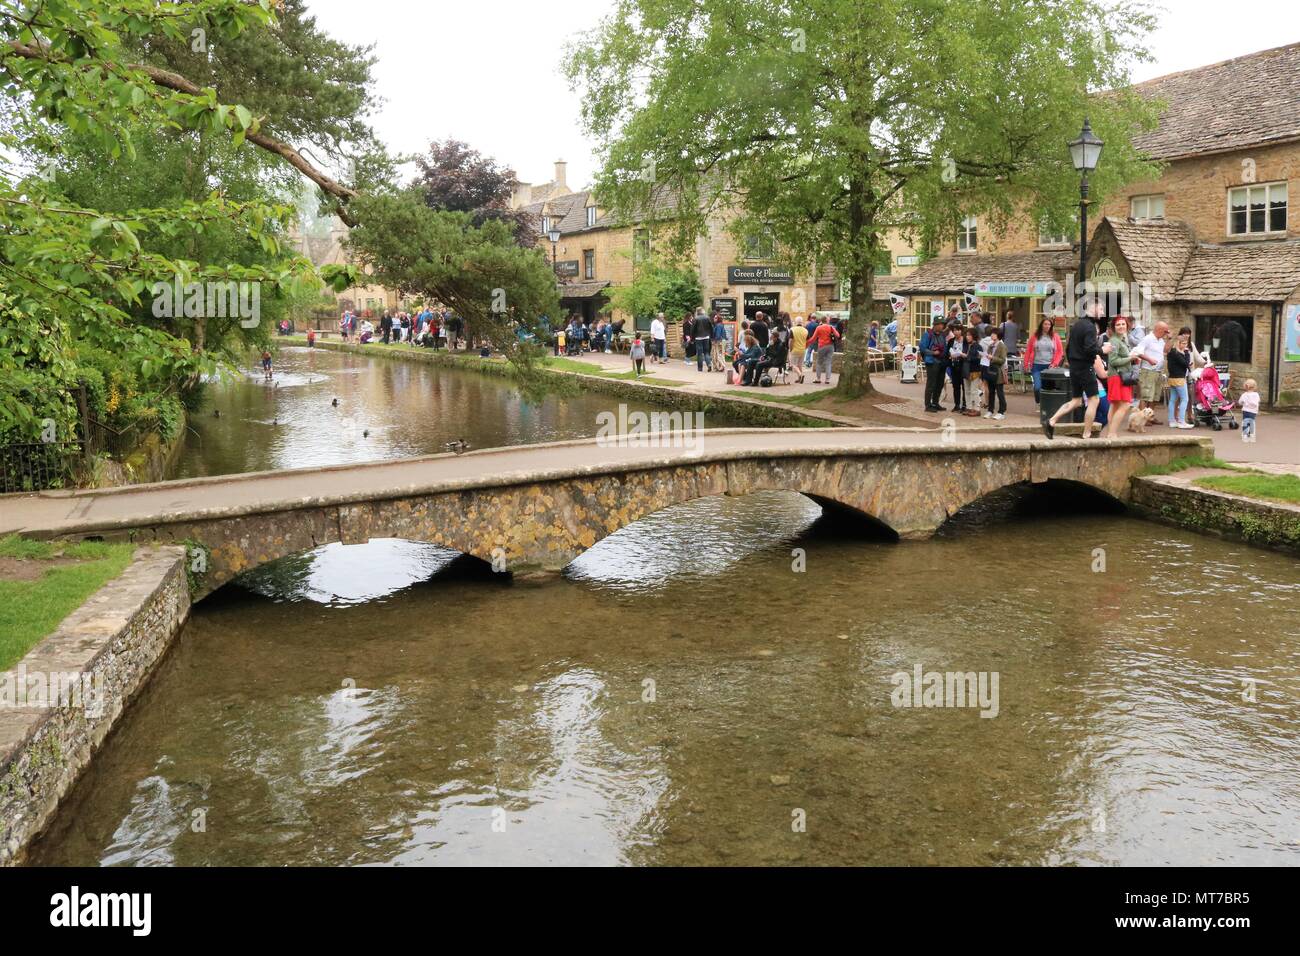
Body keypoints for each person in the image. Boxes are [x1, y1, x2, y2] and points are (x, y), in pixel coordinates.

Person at [1044, 305, 1110, 440]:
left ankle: (1051, 421)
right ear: (1093, 307)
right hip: (1085, 367)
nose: (1103, 312)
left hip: (1074, 367)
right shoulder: (1090, 326)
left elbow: (1068, 348)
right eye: (1101, 309)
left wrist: (1073, 363)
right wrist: (1103, 350)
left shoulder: (1076, 325)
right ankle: (1087, 434)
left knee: (1076, 401)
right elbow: (1090, 349)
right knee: (1094, 399)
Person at [1103, 316, 1142, 437]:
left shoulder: (1121, 340)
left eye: (1123, 324)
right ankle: (1112, 433)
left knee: (1115, 405)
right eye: (1118, 325)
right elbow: (1113, 361)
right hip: (1117, 377)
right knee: (1125, 405)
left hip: (1119, 376)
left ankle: (1110, 433)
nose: (1121, 326)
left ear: (1127, 326)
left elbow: (1120, 359)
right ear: (1114, 327)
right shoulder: (1115, 341)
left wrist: (1132, 360)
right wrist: (1130, 358)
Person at [1135, 321, 1170, 418]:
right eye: (1165, 331)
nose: (1166, 333)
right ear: (1159, 330)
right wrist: (1149, 359)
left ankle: (1150, 417)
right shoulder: (1147, 339)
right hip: (1148, 371)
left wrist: (1168, 339)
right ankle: (1142, 417)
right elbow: (1138, 351)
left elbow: (1166, 351)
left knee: (1155, 396)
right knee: (1146, 396)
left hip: (1158, 371)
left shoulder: (1161, 340)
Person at [1025, 316, 1064, 405]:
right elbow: (1028, 351)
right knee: (1037, 388)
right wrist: (1026, 364)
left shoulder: (1055, 336)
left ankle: (1046, 406)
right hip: (1037, 366)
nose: (1047, 326)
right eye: (1045, 324)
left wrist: (1054, 363)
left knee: (1048, 388)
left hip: (1049, 367)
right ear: (1041, 325)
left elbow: (1059, 352)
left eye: (1049, 324)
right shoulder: (1035, 336)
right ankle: (1039, 402)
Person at [1166, 329, 1194, 429]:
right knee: (1185, 399)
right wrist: (1186, 353)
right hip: (1179, 379)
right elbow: (1186, 364)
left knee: (1173, 400)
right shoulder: (1178, 353)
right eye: (1183, 343)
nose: (1185, 346)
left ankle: (1172, 421)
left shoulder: (1171, 353)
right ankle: (1182, 421)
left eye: (1186, 344)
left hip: (1172, 378)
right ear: (1178, 343)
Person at [920, 318, 947, 412]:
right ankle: (927, 405)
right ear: (935, 325)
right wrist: (932, 352)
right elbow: (922, 348)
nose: (942, 326)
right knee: (931, 384)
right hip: (932, 362)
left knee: (939, 384)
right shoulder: (927, 334)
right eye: (940, 324)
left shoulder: (942, 335)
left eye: (943, 324)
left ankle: (935, 403)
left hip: (942, 362)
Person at [981, 328, 1007, 420]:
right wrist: (985, 356)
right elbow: (987, 355)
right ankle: (990, 410)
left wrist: (992, 357)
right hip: (990, 370)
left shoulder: (1001, 346)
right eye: (992, 333)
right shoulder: (991, 345)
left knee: (1000, 392)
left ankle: (1002, 411)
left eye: (994, 334)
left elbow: (1003, 360)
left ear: (998, 335)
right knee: (991, 391)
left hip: (998, 372)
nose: (992, 335)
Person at [807, 315, 839, 385]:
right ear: (827, 321)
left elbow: (813, 338)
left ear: (821, 321)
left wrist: (807, 342)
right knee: (828, 362)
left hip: (821, 346)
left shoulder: (819, 328)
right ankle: (827, 379)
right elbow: (838, 335)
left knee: (819, 362)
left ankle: (818, 379)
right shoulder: (831, 327)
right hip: (830, 346)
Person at [947, 325, 967, 413]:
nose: (956, 332)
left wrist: (962, 354)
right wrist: (950, 356)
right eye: (954, 330)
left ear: (961, 331)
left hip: (963, 365)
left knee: (964, 386)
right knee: (956, 386)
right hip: (954, 365)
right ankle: (956, 404)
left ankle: (964, 405)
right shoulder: (951, 341)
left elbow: (967, 352)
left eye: (958, 330)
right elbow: (948, 352)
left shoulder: (965, 341)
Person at [692, 307, 714, 372]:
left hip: (698, 337)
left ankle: (700, 368)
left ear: (697, 312)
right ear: (702, 311)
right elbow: (711, 327)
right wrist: (711, 336)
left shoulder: (695, 318)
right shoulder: (707, 318)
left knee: (699, 353)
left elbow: (693, 329)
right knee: (706, 352)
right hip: (706, 337)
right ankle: (709, 364)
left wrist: (692, 338)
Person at [1239, 378, 1260, 443]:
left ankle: (1245, 434)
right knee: (1251, 422)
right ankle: (1251, 434)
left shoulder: (1244, 395)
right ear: (1255, 387)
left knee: (1245, 421)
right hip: (1253, 411)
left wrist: (1243, 403)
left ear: (1245, 386)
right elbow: (1258, 401)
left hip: (1245, 410)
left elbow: (1240, 402)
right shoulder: (1256, 394)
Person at [789, 317, 808, 383]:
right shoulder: (805, 330)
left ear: (795, 322)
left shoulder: (792, 329)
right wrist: (805, 347)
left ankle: (800, 375)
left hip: (795, 349)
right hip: (803, 350)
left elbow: (791, 341)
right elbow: (807, 341)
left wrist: (790, 349)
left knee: (793, 365)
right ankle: (799, 378)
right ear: (802, 322)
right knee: (799, 365)